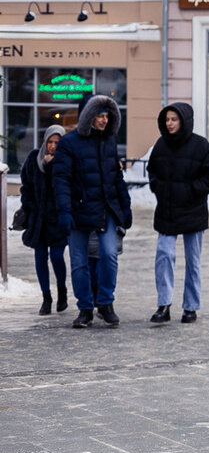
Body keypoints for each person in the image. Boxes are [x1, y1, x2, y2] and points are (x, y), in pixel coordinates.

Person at [53, 94, 132, 328]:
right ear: (88, 116)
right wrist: (64, 211)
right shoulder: (69, 143)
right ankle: (85, 308)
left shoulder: (109, 141)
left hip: (105, 209)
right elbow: (61, 180)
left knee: (109, 255)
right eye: (99, 115)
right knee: (79, 262)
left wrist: (125, 206)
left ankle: (106, 303)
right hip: (78, 211)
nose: (104, 120)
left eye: (107, 115)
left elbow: (116, 176)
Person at [147, 102, 209, 324]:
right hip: (167, 211)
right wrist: (159, 189)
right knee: (164, 255)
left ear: (184, 120)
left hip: (193, 211)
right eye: (167, 119)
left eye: (174, 119)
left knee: (193, 261)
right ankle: (164, 304)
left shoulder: (200, 146)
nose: (169, 123)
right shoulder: (161, 145)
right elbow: (152, 172)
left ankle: (190, 307)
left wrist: (191, 190)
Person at [19, 124, 69, 315]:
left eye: (57, 143)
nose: (53, 146)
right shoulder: (34, 158)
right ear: (45, 141)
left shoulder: (65, 161)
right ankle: (46, 297)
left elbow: (65, 186)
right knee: (40, 257)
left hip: (57, 218)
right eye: (50, 142)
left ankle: (62, 291)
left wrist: (52, 166)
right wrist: (29, 206)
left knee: (57, 256)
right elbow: (26, 187)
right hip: (38, 218)